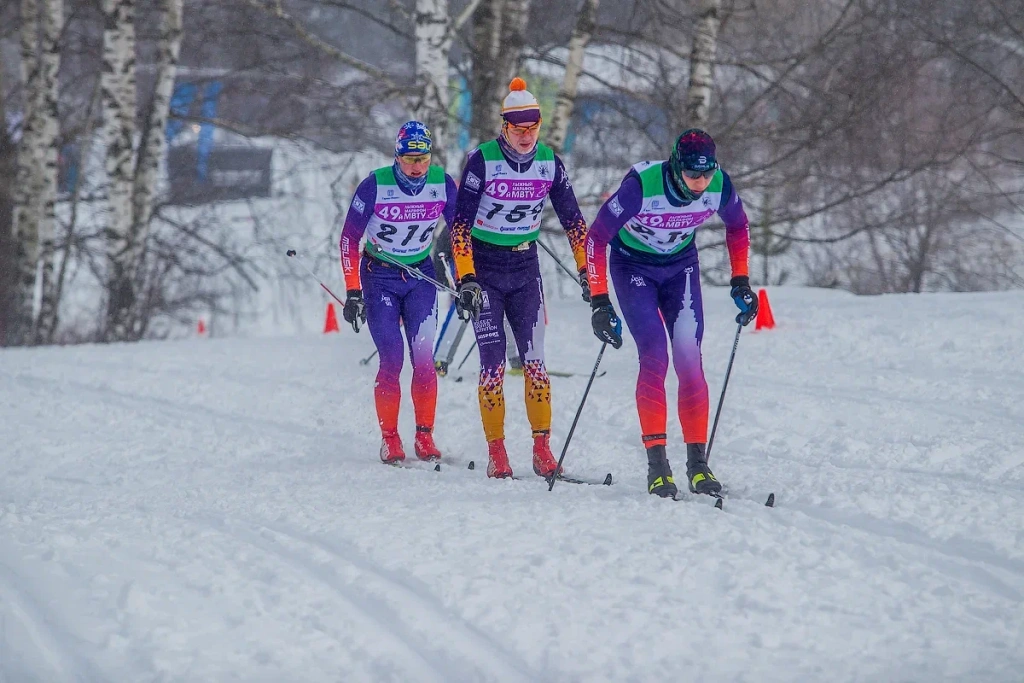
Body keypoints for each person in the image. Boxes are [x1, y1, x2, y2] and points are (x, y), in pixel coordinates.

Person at [584, 129, 758, 498]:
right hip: (633, 268)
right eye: (693, 175)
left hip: (681, 268)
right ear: (676, 167)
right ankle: (658, 467)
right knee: (655, 355)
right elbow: (595, 238)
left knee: (689, 359)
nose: (700, 183)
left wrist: (740, 279)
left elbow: (738, 225)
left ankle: (698, 465)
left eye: (707, 174)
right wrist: (600, 301)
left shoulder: (719, 185)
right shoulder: (641, 186)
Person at [450, 78, 591, 479]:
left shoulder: (549, 162)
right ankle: (498, 452)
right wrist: (466, 278)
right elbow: (460, 226)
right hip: (485, 271)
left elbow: (575, 223)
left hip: (526, 270)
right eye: (518, 129)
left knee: (535, 363)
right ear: (504, 127)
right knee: (492, 364)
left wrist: (587, 271)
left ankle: (542, 449)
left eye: (533, 129)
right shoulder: (483, 160)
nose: (527, 137)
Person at [339, 121, 458, 463]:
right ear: (397, 155)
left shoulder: (441, 183)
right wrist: (353, 291)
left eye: (423, 158)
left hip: (420, 275)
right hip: (380, 277)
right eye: (409, 159)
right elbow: (349, 239)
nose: (417, 167)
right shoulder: (375, 185)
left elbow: (459, 232)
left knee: (424, 360)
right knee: (392, 358)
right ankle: (390, 438)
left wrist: (466, 277)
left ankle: (424, 436)